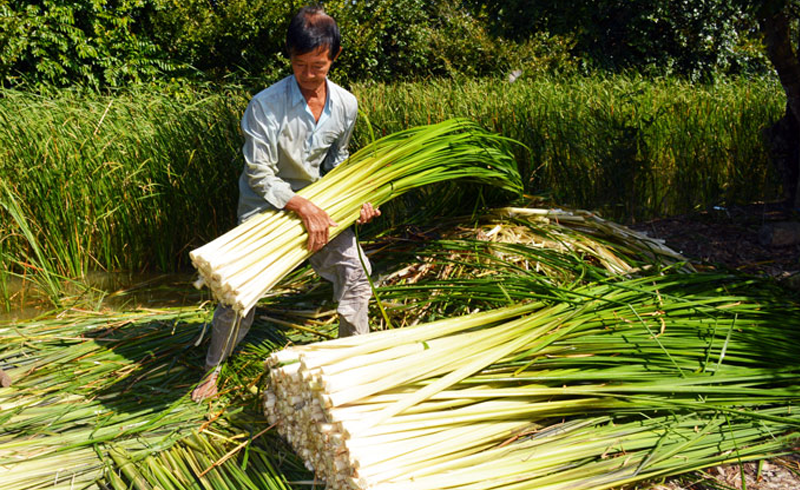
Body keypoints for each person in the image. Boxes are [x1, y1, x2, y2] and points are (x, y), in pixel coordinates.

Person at [192, 5, 380, 402]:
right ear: (289, 56)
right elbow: (259, 173)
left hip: (322, 206)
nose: (308, 75)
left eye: (318, 66)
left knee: (356, 274)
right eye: (300, 65)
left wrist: (358, 199)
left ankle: (351, 361)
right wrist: (301, 206)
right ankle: (213, 368)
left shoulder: (346, 104)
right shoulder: (265, 105)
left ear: (335, 57)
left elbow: (338, 162)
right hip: (266, 209)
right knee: (238, 289)